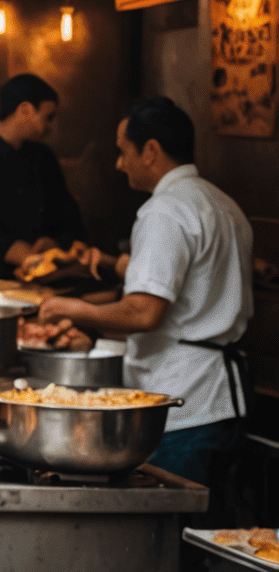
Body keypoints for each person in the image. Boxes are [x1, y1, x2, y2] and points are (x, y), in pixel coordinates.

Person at [37, 98, 252, 486]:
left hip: (183, 404)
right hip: (222, 399)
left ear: (150, 151)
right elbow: (190, 307)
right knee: (202, 526)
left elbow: (143, 313)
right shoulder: (224, 205)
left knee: (169, 530)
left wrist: (68, 307)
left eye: (123, 152)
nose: (119, 164)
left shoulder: (165, 211)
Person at [0, 73, 85, 277]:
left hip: (50, 279)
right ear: (25, 110)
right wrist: (20, 253)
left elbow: (68, 216)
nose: (52, 127)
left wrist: (55, 243)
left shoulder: (45, 158)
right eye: (48, 117)